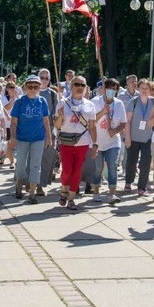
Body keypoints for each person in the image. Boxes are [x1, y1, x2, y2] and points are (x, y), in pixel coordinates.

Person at [54, 75, 97, 210]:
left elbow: (92, 126)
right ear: (71, 87)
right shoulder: (62, 102)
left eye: (82, 85)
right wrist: (60, 116)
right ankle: (63, 189)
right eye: (77, 84)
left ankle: (71, 198)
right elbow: (56, 125)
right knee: (67, 170)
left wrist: (95, 143)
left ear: (86, 88)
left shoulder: (89, 105)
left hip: (82, 141)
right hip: (66, 140)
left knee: (77, 170)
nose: (79, 87)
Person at [9, 75, 51, 204]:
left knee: (36, 165)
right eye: (30, 86)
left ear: (39, 88)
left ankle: (32, 193)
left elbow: (45, 121)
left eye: (36, 87)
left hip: (38, 137)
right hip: (22, 138)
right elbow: (14, 121)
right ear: (26, 87)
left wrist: (49, 137)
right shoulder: (20, 101)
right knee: (21, 164)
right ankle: (19, 185)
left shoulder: (42, 101)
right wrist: (13, 138)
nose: (33, 89)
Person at [90, 78, 127, 204]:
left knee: (112, 165)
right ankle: (96, 191)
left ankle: (112, 193)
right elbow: (91, 122)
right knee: (98, 166)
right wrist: (102, 112)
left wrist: (115, 131)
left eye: (114, 89)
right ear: (104, 89)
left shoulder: (119, 104)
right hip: (98, 140)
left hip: (113, 141)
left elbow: (123, 123)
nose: (111, 91)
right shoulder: (95, 102)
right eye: (109, 88)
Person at [124, 78, 154, 197]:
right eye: (142, 88)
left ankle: (141, 187)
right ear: (138, 89)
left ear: (150, 90)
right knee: (131, 161)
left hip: (147, 137)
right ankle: (128, 182)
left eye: (146, 88)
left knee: (145, 162)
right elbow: (127, 121)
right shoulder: (133, 102)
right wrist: (127, 138)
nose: (144, 90)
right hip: (133, 137)